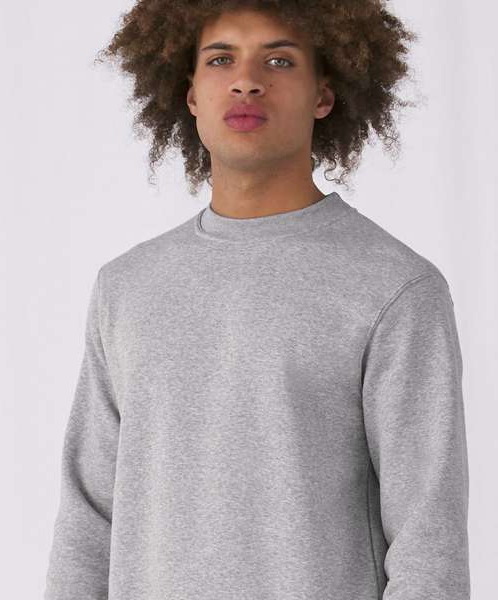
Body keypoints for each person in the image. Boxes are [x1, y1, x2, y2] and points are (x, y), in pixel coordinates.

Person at [44, 2, 471, 599]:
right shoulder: (127, 286)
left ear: (324, 95)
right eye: (221, 60)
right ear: (191, 95)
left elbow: (429, 546)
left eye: (279, 60)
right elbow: (87, 522)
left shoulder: (394, 287)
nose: (246, 81)